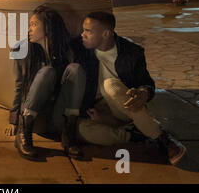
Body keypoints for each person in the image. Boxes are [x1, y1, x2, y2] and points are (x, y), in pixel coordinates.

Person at [73, 11, 187, 165]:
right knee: (81, 129)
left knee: (110, 85)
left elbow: (147, 84)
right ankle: (135, 133)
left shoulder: (132, 52)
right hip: (99, 110)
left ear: (106, 33)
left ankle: (163, 139)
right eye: (83, 30)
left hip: (124, 106)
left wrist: (142, 93)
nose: (82, 34)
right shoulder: (80, 50)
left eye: (88, 31)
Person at [5, 5, 86, 161]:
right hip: (35, 117)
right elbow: (19, 85)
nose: (29, 29)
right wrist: (14, 120)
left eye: (34, 25)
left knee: (76, 69)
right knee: (47, 71)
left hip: (58, 116)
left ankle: (69, 133)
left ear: (48, 28)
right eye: (29, 25)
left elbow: (75, 86)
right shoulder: (21, 50)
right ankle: (24, 133)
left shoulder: (68, 50)